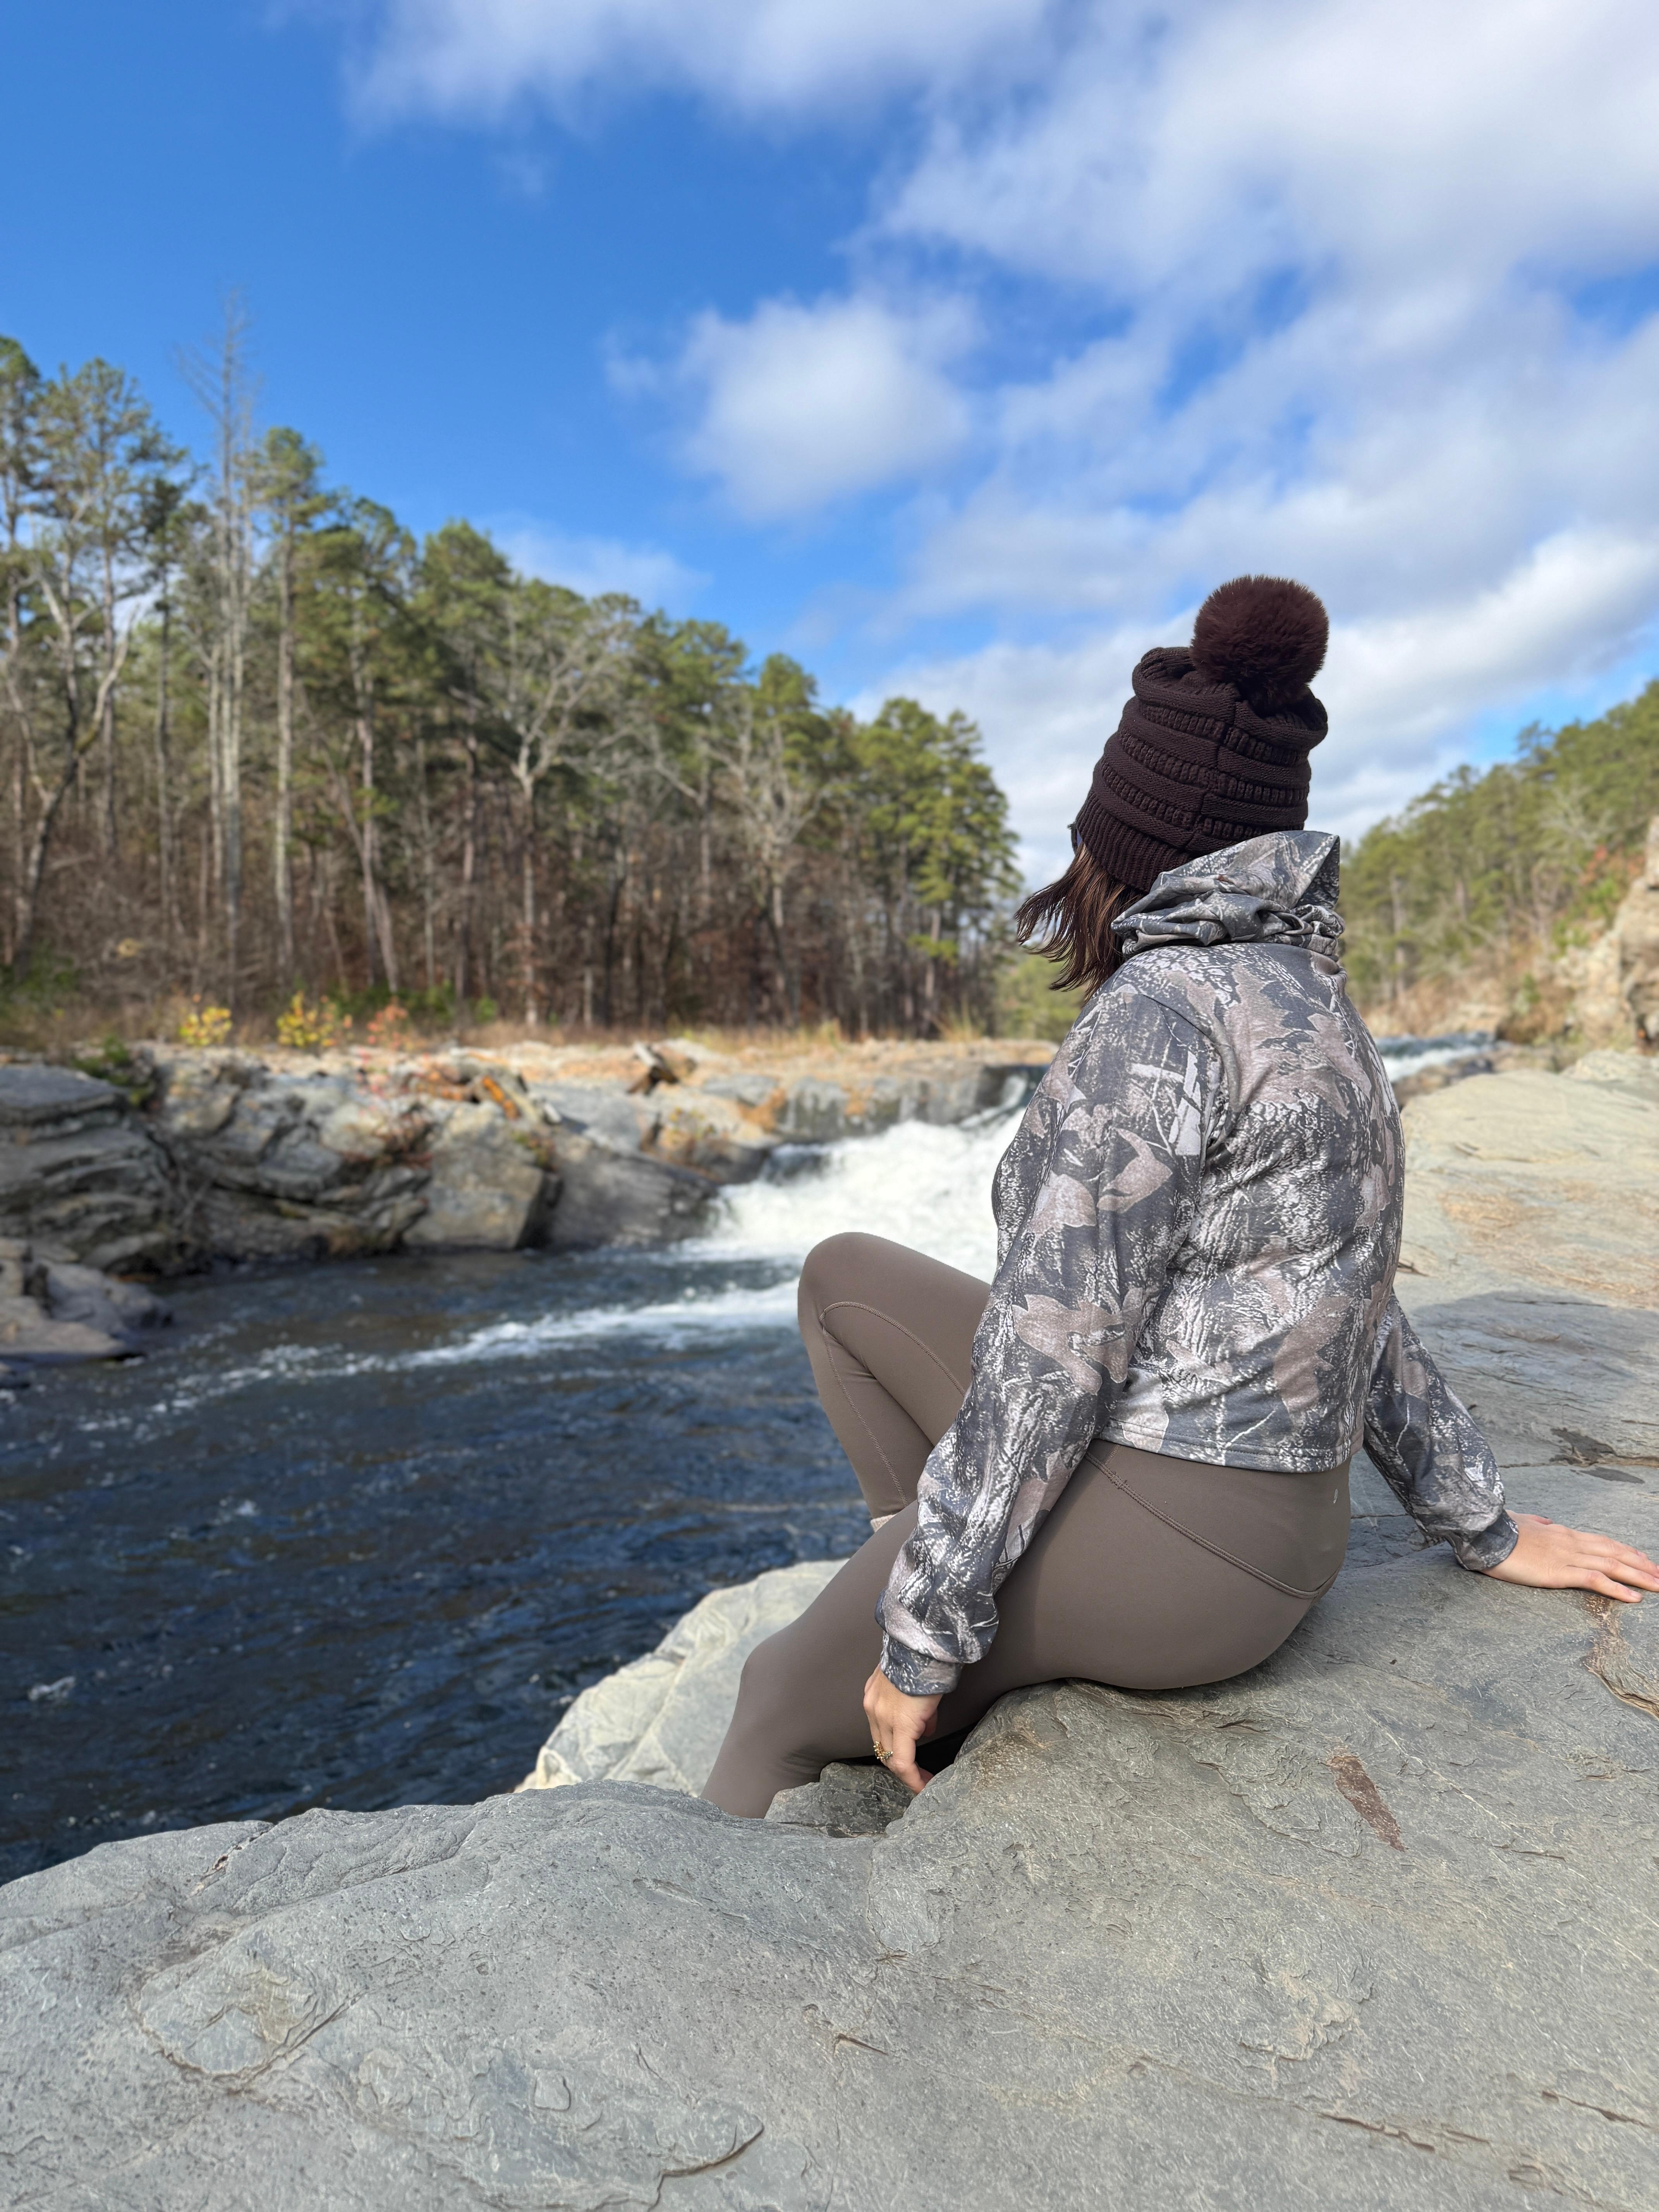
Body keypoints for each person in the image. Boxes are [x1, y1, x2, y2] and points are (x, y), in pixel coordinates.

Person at [701, 575, 1658, 1817]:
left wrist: (921, 1632)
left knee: (776, 1701)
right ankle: (922, 1544)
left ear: (1132, 847)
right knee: (841, 1272)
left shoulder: (1151, 1024)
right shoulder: (1318, 1010)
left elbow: (1053, 1355)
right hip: (1285, 1529)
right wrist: (1478, 1520)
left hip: (1184, 1560)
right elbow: (1353, 1297)